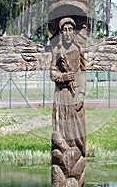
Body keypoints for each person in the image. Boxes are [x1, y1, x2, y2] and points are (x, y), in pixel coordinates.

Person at [50, 17, 86, 156]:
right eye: (64, 30)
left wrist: (81, 94)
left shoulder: (79, 49)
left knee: (77, 127)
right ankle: (63, 150)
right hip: (61, 94)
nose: (67, 33)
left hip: (75, 93)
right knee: (61, 124)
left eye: (70, 29)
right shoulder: (57, 51)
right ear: (61, 32)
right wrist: (63, 77)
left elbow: (83, 72)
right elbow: (53, 73)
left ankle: (78, 150)